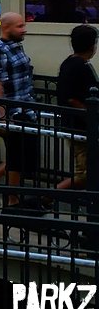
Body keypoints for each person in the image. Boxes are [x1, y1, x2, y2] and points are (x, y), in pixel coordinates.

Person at [0, 12, 40, 211]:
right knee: (17, 156)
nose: (24, 29)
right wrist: (0, 115)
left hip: (26, 108)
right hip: (14, 112)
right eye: (19, 26)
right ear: (6, 27)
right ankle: (12, 201)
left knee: (21, 155)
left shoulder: (16, 47)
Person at [56, 24, 98, 190]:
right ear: (92, 45)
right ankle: (45, 198)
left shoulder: (70, 63)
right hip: (80, 127)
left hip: (77, 125)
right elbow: (71, 97)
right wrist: (89, 115)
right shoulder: (79, 67)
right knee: (85, 173)